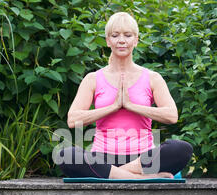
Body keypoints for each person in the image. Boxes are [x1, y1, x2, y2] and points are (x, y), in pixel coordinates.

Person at [56, 12, 193, 179]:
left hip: (142, 159)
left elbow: (172, 116)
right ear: (108, 40)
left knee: (182, 149)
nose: (121, 40)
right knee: (66, 154)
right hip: (102, 158)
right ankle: (139, 178)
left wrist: (131, 106)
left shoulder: (152, 78)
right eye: (115, 35)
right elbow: (73, 120)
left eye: (127, 35)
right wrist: (113, 107)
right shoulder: (92, 79)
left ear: (135, 40)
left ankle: (117, 174)